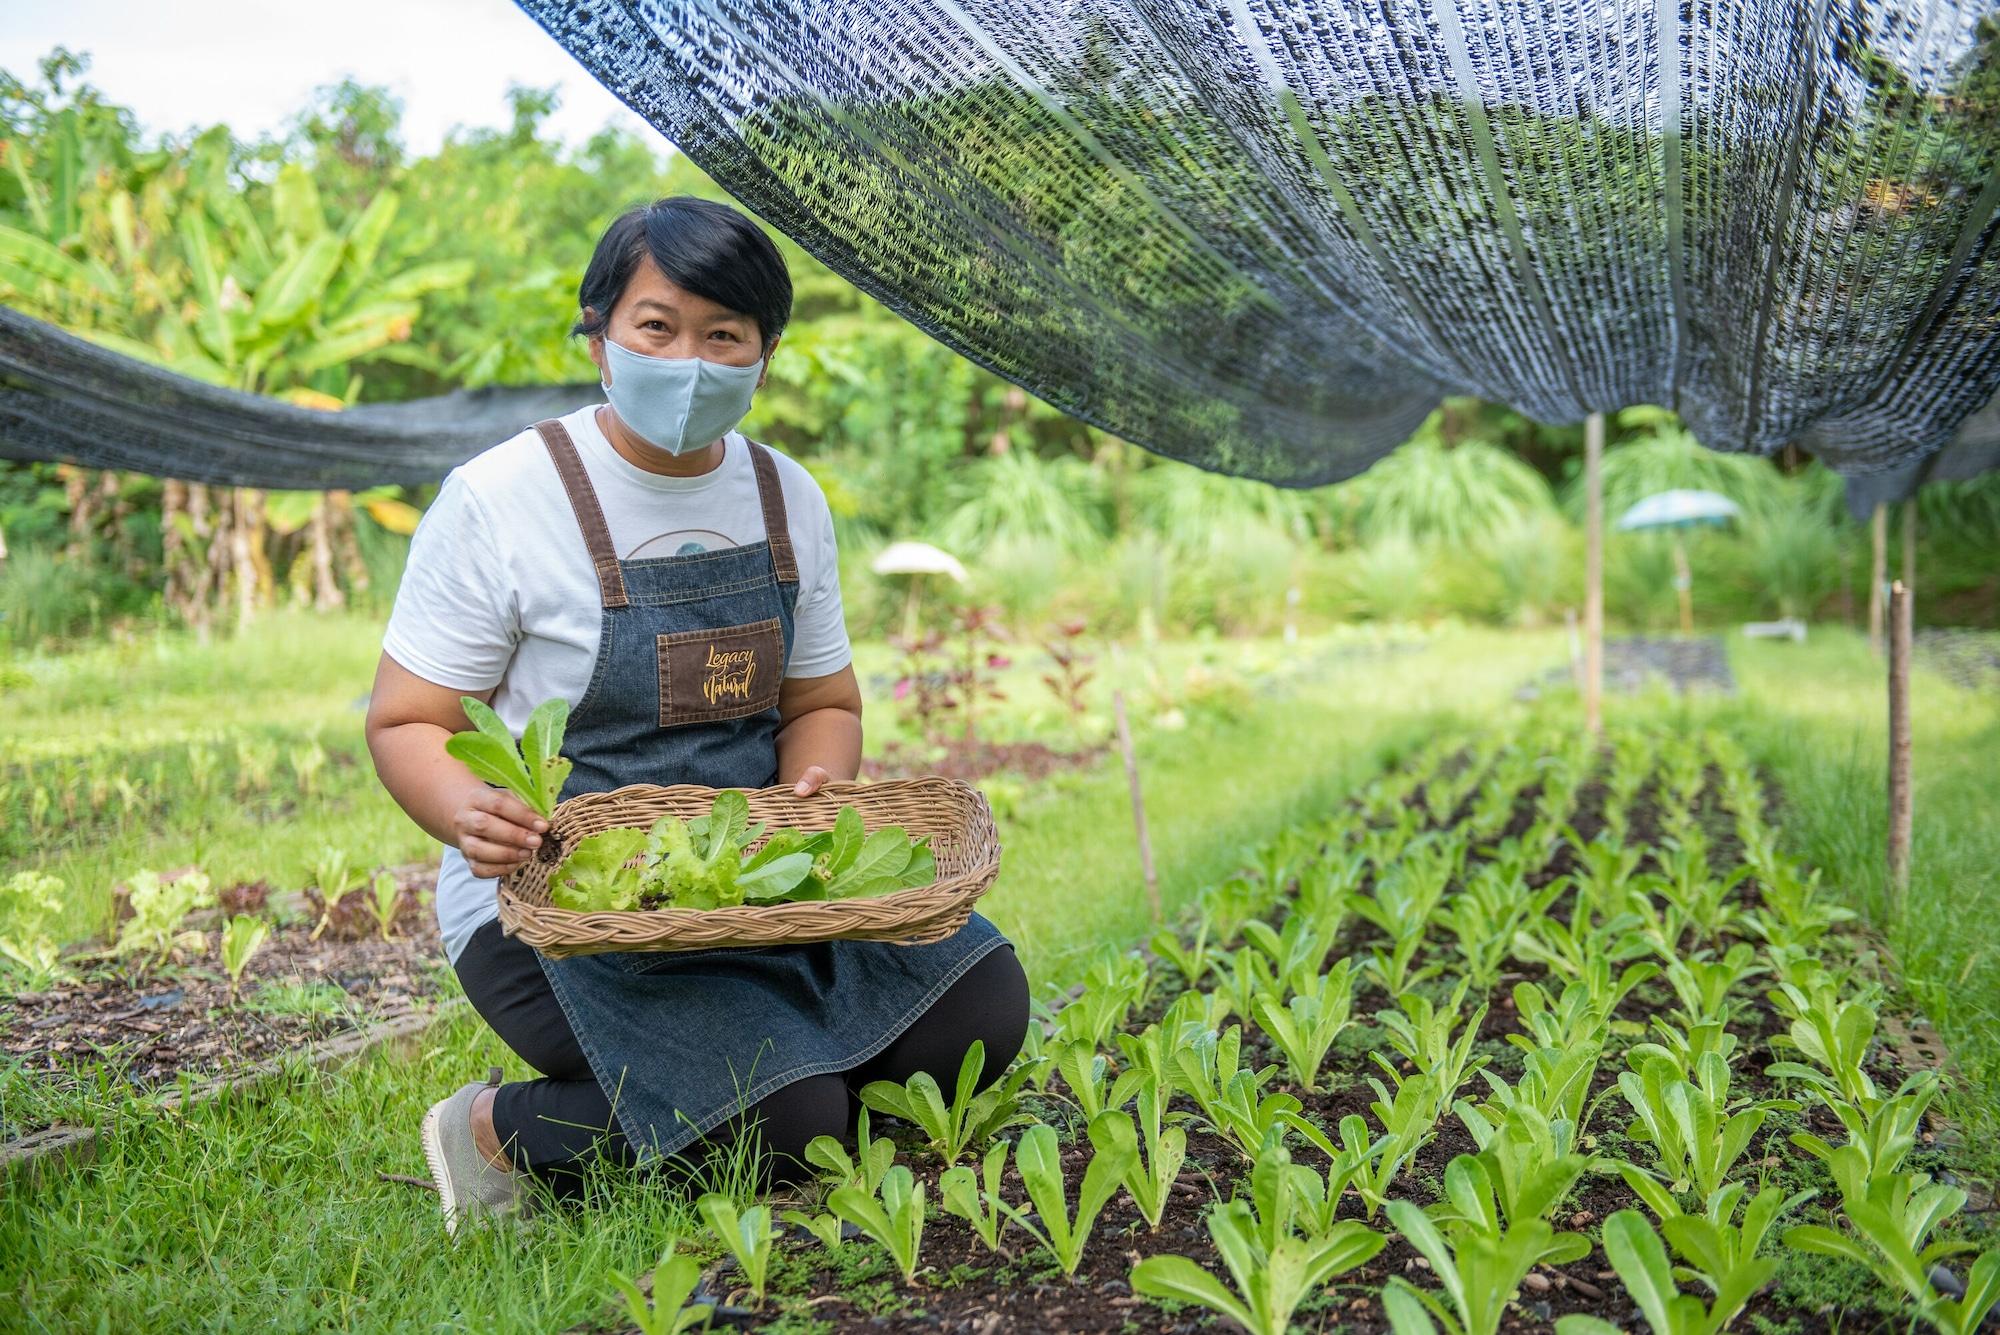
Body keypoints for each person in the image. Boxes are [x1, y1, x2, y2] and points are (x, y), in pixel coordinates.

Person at [364, 196, 1027, 1235]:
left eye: (726, 336)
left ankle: (788, 1091)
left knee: (980, 1005)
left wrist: (816, 787)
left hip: (753, 881)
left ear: (763, 358)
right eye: (657, 327)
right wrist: (465, 811)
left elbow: (821, 703)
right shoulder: (501, 498)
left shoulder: (784, 498)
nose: (691, 361)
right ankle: (494, 1130)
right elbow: (406, 720)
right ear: (599, 337)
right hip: (566, 908)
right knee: (790, 1121)